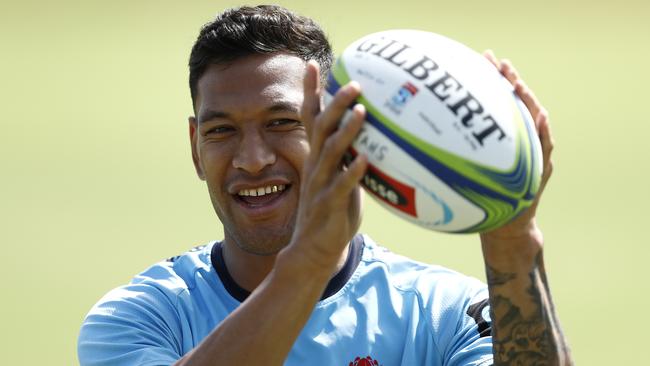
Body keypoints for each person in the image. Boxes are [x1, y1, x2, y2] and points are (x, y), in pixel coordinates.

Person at [78, 5, 572, 365]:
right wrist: (308, 262)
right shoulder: (141, 317)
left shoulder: (440, 314)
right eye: (221, 131)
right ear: (195, 149)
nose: (252, 160)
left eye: (282, 123)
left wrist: (510, 235)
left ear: (341, 133)